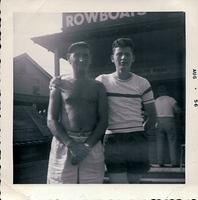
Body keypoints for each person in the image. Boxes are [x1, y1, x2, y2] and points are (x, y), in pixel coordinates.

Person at [96, 38, 157, 183]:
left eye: (127, 54)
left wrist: (138, 131)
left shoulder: (143, 83)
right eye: (119, 54)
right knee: (119, 186)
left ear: (133, 58)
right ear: (112, 58)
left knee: (134, 185)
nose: (123, 58)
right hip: (113, 139)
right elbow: (82, 88)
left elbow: (153, 117)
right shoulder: (102, 80)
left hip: (136, 139)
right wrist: (60, 81)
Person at [47, 41, 108, 183]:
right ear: (69, 57)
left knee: (92, 191)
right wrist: (71, 144)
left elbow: (103, 120)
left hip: (91, 144)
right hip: (64, 142)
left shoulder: (98, 87)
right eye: (77, 55)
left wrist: (87, 146)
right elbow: (51, 120)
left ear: (90, 59)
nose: (82, 59)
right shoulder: (59, 84)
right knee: (61, 190)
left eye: (85, 56)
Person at [155, 85, 181, 167]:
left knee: (160, 142)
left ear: (159, 92)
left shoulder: (155, 101)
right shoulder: (171, 99)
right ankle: (174, 163)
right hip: (169, 121)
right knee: (172, 142)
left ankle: (160, 162)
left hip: (159, 121)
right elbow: (177, 110)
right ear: (167, 91)